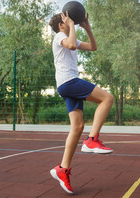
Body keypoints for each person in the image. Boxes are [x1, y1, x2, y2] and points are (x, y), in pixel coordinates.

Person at [48, 11, 114, 194]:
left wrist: (88, 28)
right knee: (107, 98)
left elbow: (93, 47)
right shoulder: (60, 36)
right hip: (69, 82)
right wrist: (69, 25)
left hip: (67, 85)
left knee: (77, 127)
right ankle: (92, 140)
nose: (72, 24)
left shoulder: (69, 37)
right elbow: (70, 44)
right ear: (61, 25)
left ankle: (62, 169)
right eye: (67, 22)